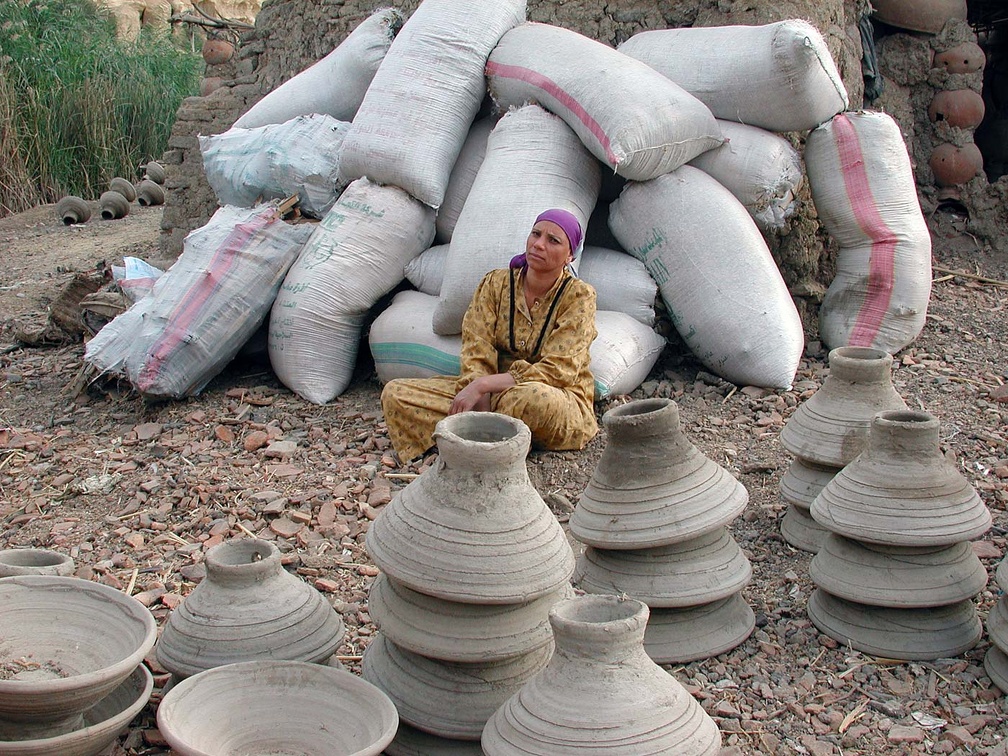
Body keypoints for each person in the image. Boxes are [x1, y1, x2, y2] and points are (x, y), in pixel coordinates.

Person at [381, 208, 598, 462]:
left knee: (530, 400)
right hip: (489, 396)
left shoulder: (579, 297)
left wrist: (485, 385)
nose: (539, 245)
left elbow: (559, 370)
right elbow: (476, 349)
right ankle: (491, 437)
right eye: (536, 234)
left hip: (551, 396)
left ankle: (476, 438)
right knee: (396, 394)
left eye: (553, 241)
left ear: (570, 255)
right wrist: (479, 400)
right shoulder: (496, 284)